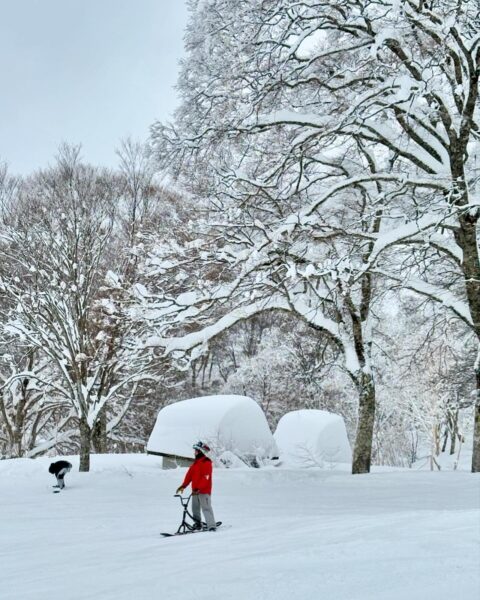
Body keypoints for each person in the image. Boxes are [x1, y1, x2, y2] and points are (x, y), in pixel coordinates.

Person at [176, 441, 216, 531]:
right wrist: (183, 486)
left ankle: (211, 525)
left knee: (206, 508)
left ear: (201, 451)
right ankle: (197, 523)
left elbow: (206, 477)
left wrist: (199, 488)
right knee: (195, 509)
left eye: (196, 451)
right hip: (195, 491)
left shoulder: (207, 462)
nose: (194, 452)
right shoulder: (196, 463)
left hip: (204, 491)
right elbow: (189, 475)